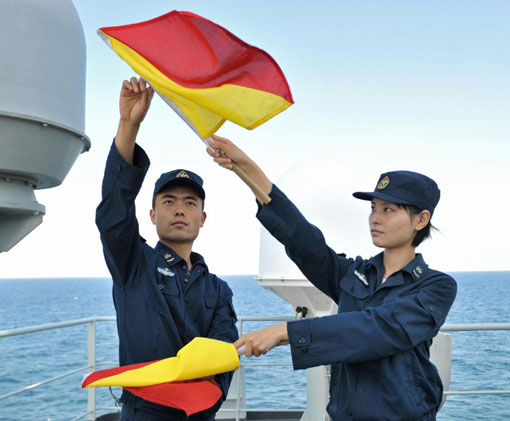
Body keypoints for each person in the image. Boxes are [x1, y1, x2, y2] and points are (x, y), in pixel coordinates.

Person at [207, 136, 457, 421]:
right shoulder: (355, 275)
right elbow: (303, 241)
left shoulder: (436, 287)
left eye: (388, 210)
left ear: (421, 220)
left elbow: (380, 328)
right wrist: (247, 169)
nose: (375, 218)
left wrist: (286, 333)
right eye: (373, 208)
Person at [95, 78, 239, 420]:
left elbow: (223, 353)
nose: (179, 209)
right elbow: (114, 210)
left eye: (190, 203)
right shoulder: (133, 263)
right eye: (169, 200)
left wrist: (209, 402)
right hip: (143, 413)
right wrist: (129, 125)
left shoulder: (218, 289)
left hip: (199, 413)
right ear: (152, 214)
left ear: (203, 218)